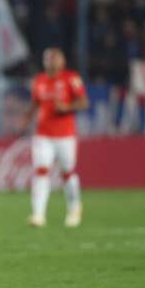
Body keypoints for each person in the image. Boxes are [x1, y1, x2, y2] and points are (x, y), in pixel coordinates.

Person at [24, 48, 89, 227]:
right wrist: (25, 120)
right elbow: (35, 103)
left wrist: (67, 107)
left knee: (67, 172)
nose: (51, 61)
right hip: (43, 134)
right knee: (41, 170)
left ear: (62, 60)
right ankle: (38, 215)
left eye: (54, 58)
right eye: (47, 58)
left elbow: (84, 102)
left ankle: (74, 208)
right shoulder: (39, 81)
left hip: (65, 135)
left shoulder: (71, 78)